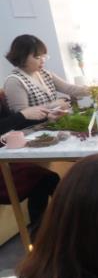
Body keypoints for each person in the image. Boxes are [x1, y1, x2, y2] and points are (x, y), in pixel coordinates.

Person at [0, 89, 59, 227]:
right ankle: (42, 231)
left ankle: (44, 230)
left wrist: (46, 118)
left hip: (5, 159)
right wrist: (22, 115)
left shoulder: (1, 97)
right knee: (45, 179)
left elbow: (12, 123)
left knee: (47, 179)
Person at [4, 34, 89, 112]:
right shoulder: (14, 81)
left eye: (44, 56)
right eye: (38, 57)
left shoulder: (45, 74)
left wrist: (94, 90)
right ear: (22, 57)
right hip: (36, 124)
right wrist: (52, 106)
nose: (43, 60)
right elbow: (22, 114)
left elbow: (70, 89)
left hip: (53, 121)